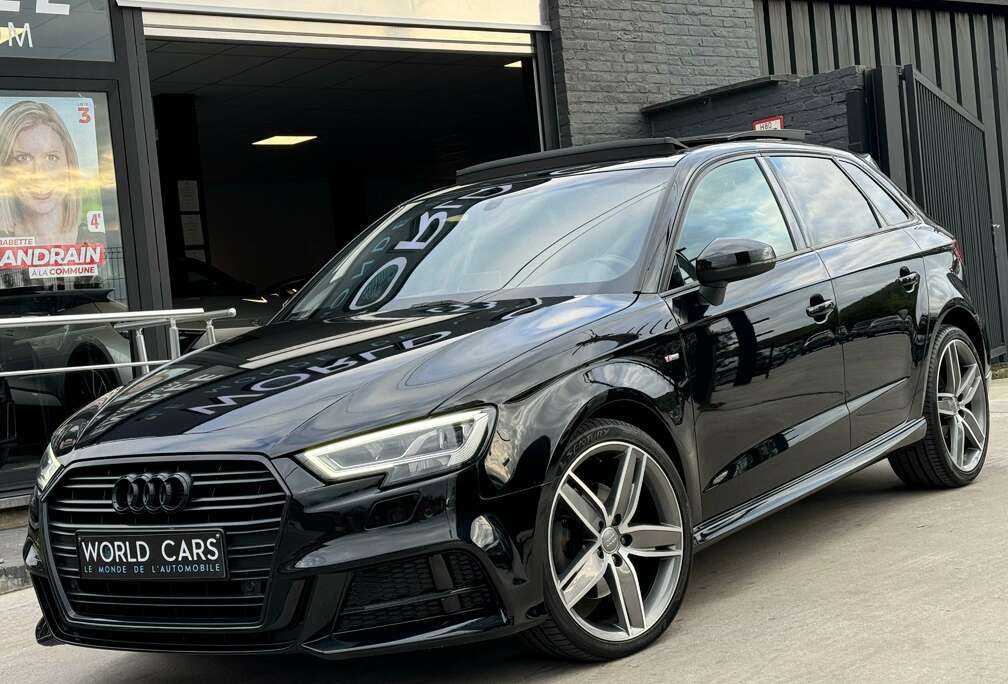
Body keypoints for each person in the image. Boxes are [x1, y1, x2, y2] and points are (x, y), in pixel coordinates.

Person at [0, 100, 100, 289]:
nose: (40, 174)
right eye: (23, 158)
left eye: (51, 157)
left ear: (69, 164)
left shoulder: (101, 241)